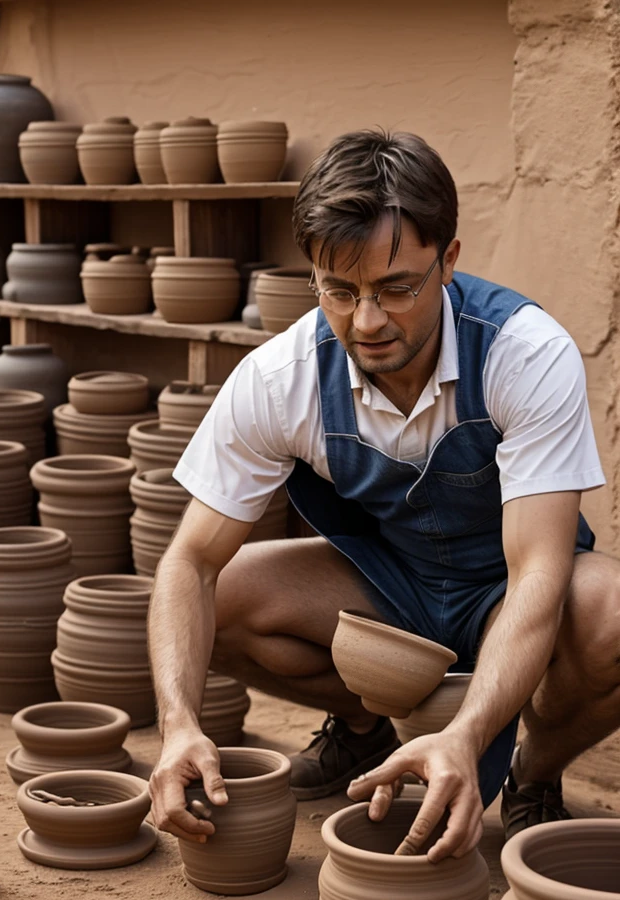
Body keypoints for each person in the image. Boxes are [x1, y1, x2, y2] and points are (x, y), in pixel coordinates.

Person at [147, 128, 620, 862]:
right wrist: (178, 723)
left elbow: (538, 574)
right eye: (340, 291)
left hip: (510, 583)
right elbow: (188, 565)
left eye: (396, 288)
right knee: (229, 594)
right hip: (393, 585)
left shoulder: (525, 353)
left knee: (616, 618)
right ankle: (360, 728)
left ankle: (535, 773)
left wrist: (468, 739)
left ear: (449, 261)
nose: (366, 322)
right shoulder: (281, 378)